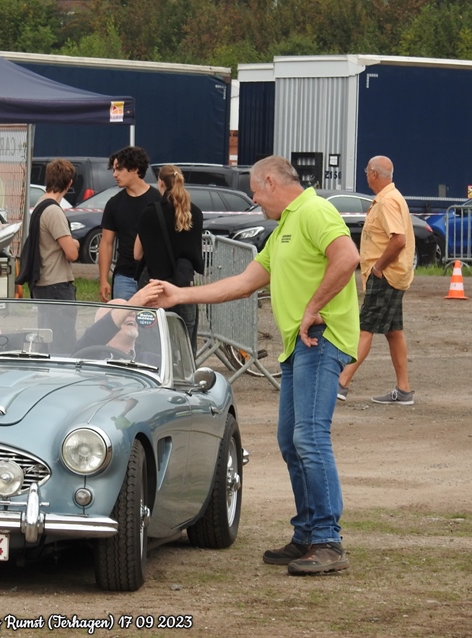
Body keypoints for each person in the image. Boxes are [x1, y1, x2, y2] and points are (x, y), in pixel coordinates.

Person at [148, 155, 360, 575]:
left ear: (272, 182)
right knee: (291, 441)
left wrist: (313, 307)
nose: (254, 199)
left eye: (256, 191)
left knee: (309, 438)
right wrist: (179, 295)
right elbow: (243, 283)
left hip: (321, 339)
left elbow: (347, 257)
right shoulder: (283, 229)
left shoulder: (315, 211)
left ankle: (327, 541)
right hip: (299, 345)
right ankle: (307, 535)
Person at [337, 156, 416, 405]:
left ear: (373, 174)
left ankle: (340, 384)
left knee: (365, 328)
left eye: (366, 171)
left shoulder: (388, 201)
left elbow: (398, 239)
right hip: (392, 275)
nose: (366, 175)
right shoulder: (390, 197)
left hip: (386, 276)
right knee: (393, 331)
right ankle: (403, 390)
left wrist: (378, 267)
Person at [134, 164, 204, 354]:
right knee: (185, 344)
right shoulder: (195, 213)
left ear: (161, 182)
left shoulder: (150, 213)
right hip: (184, 287)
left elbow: (137, 254)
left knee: (152, 346)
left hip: (154, 288)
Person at [24, 159, 79, 353]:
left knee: (47, 342)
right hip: (57, 285)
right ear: (69, 183)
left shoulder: (40, 204)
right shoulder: (54, 211)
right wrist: (76, 243)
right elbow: (71, 253)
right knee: (63, 346)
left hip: (42, 283)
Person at [99, 146, 160, 302]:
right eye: (114, 170)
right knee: (122, 317)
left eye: (119, 169)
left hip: (153, 276)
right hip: (124, 276)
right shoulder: (114, 204)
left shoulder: (158, 200)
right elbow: (106, 243)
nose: (115, 174)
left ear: (134, 168)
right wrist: (103, 279)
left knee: (150, 318)